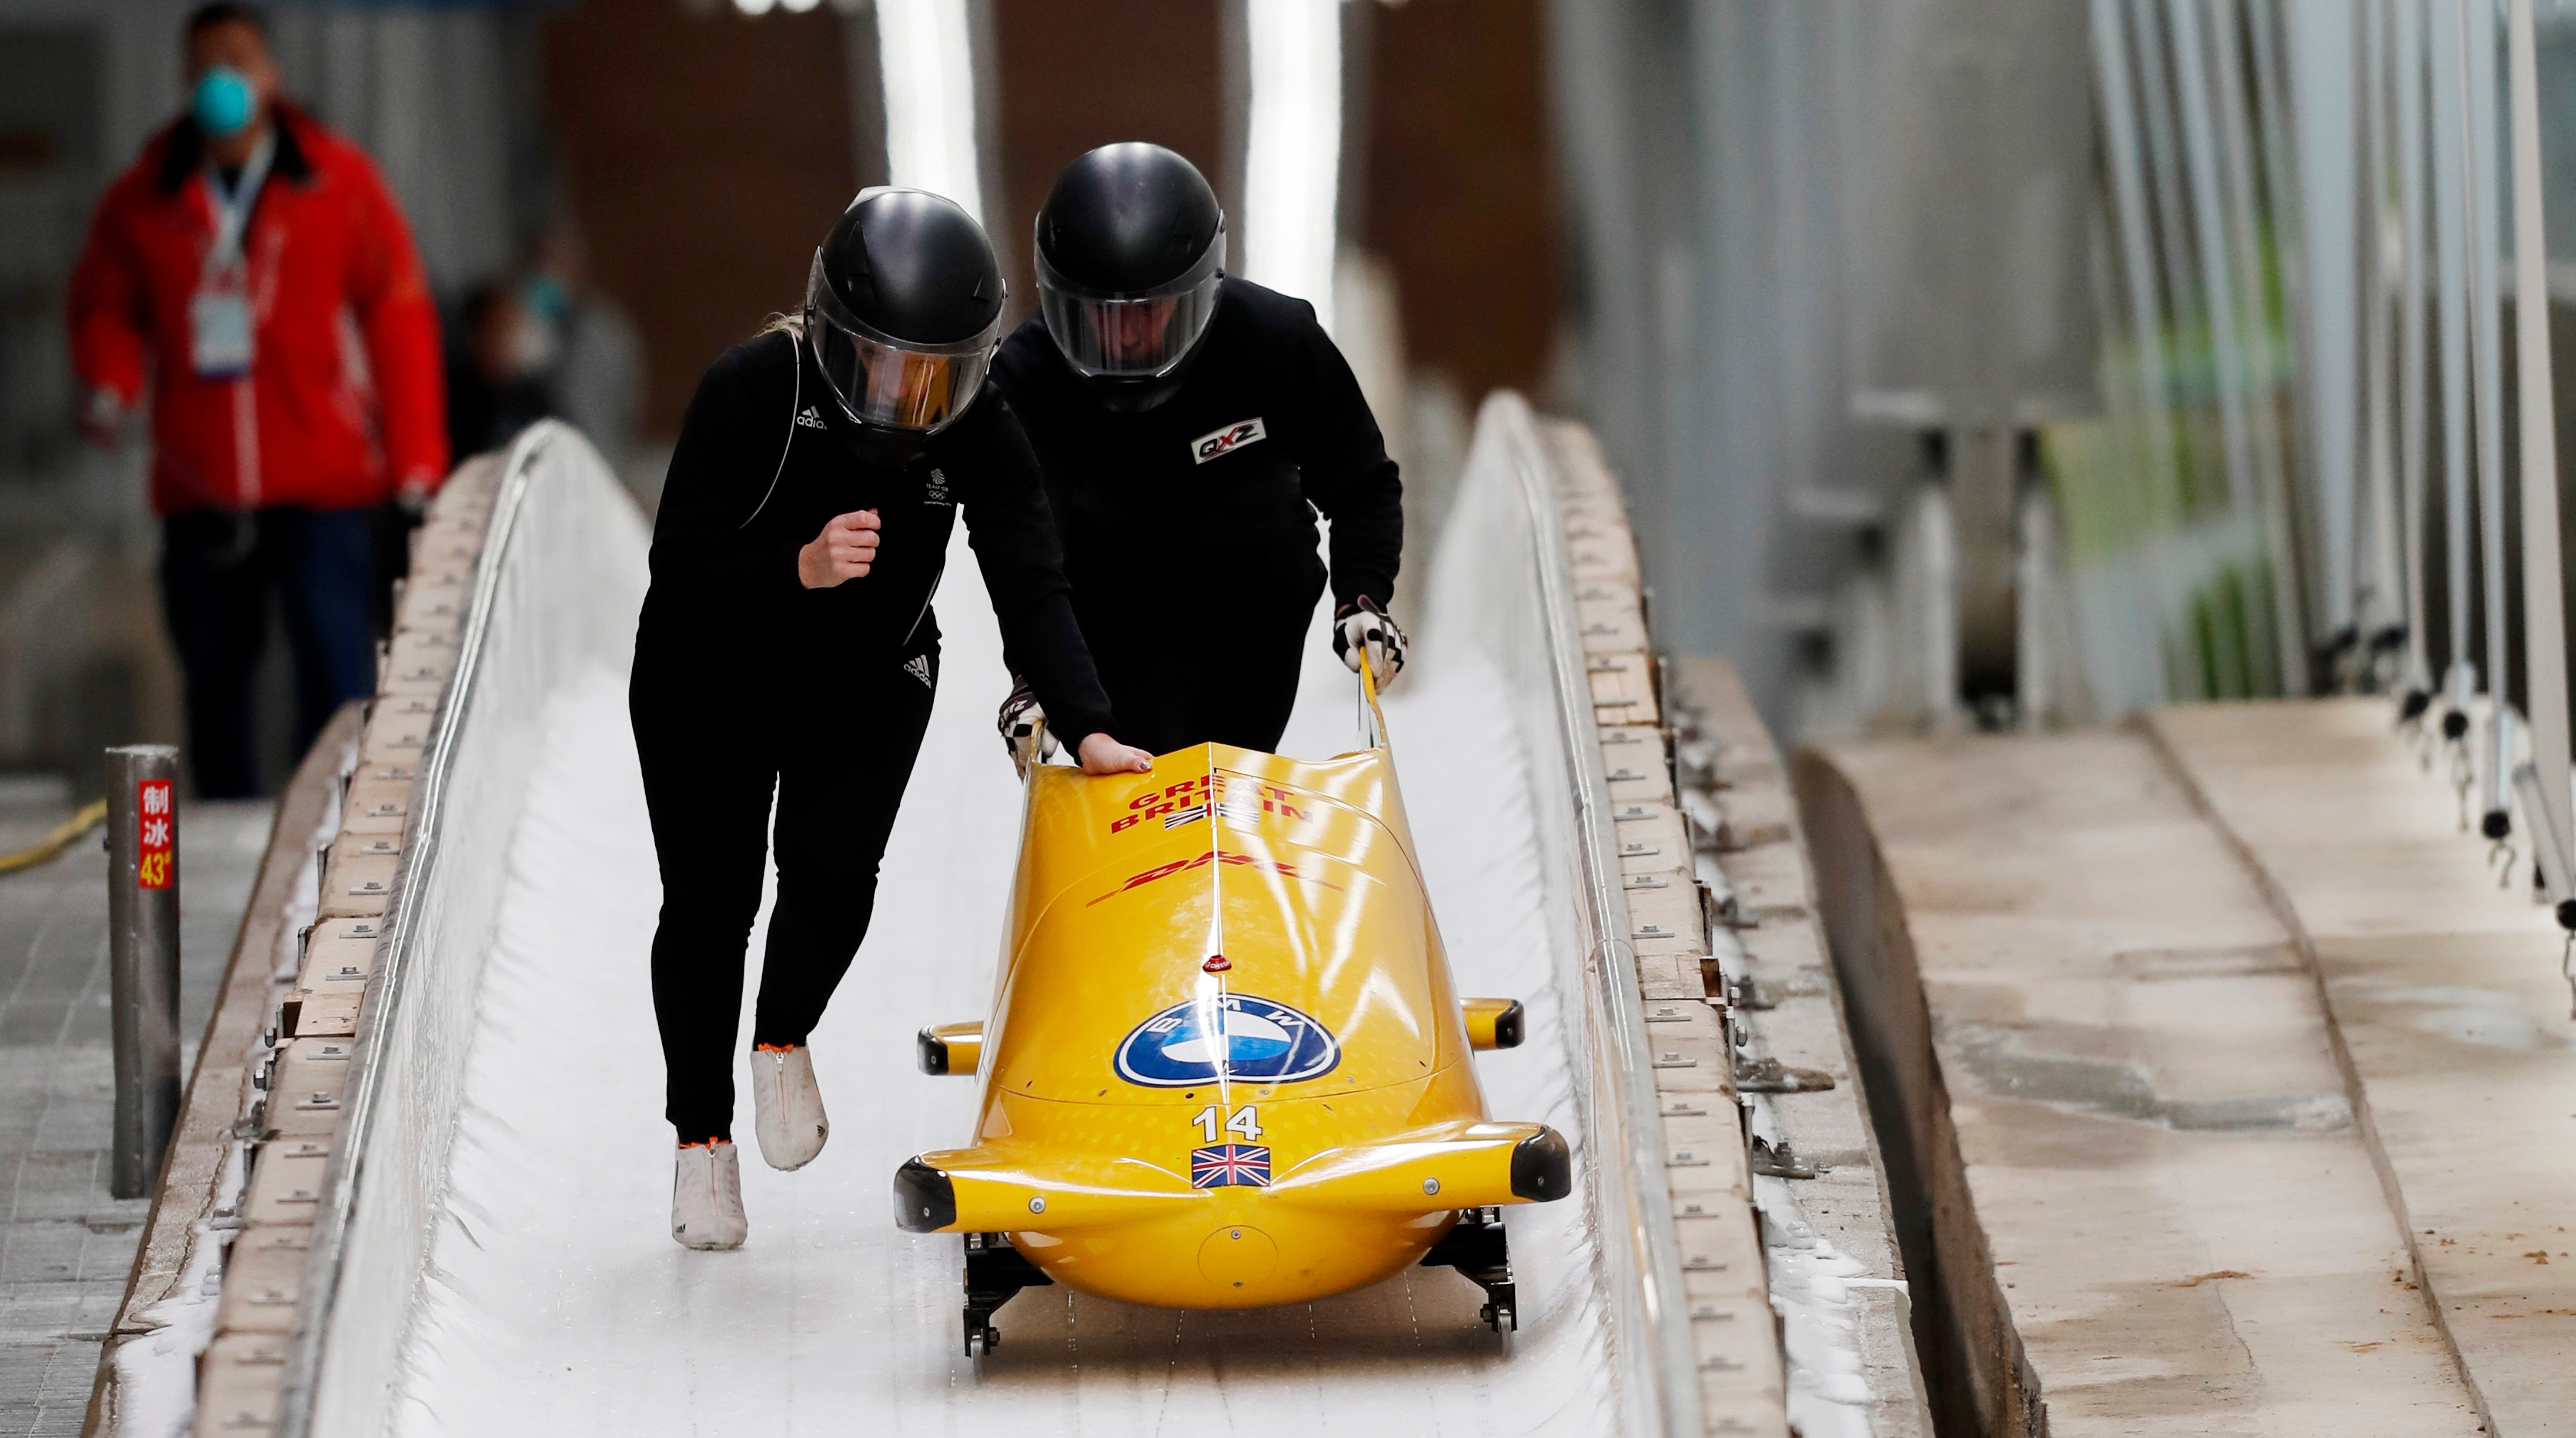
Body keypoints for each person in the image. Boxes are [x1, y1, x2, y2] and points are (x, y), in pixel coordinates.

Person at [634, 187, 1152, 1250]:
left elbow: (1028, 573)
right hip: (712, 664)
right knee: (711, 903)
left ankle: (782, 1037)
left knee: (833, 867)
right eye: (884, 367)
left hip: (869, 665)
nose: (908, 399)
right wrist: (800, 565)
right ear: (830, 337)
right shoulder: (750, 390)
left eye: (937, 376)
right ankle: (701, 1142)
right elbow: (677, 574)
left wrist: (1087, 720)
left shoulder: (975, 423)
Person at [68, 1, 445, 798]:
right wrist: (109, 381)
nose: (221, 80)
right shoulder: (144, 199)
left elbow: (399, 313)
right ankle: (229, 836)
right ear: (184, 78)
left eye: (238, 61)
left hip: (323, 475)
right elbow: (104, 302)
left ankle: (337, 823)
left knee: (332, 658)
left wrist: (415, 457)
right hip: (198, 480)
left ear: (272, 76)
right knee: (213, 677)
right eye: (205, 63)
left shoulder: (338, 183)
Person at [989, 143, 1406, 766]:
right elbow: (1026, 554)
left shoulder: (1276, 340)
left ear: (1197, 295)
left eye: (1150, 313)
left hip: (1255, 607)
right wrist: (1037, 678)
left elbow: (1360, 483)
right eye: (1101, 318)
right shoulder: (1026, 378)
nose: (1126, 337)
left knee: (1228, 768)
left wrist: (1361, 595)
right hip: (1111, 618)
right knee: (1140, 771)